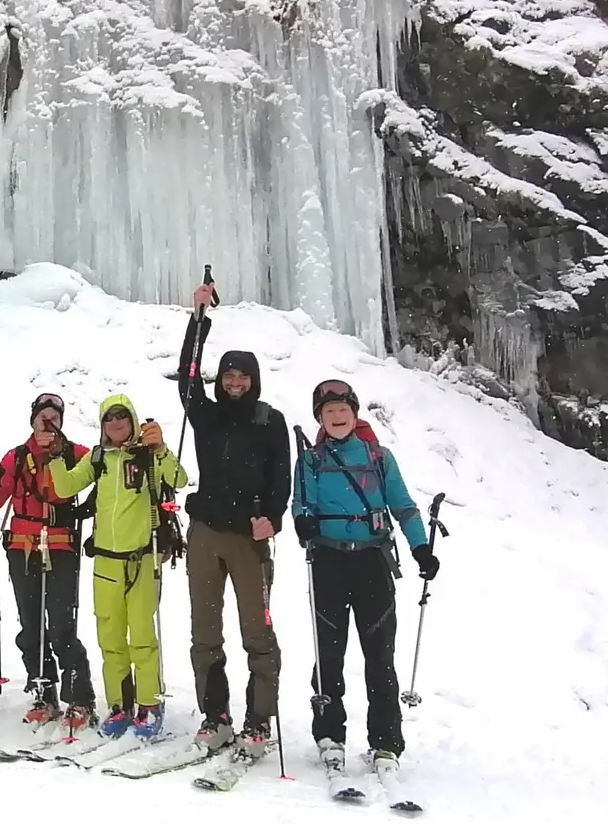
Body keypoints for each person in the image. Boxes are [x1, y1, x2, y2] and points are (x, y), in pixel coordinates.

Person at [293, 379, 440, 777]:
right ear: (320, 418)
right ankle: (329, 734)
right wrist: (303, 522)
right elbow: (300, 501)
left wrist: (420, 547)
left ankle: (386, 741)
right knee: (329, 653)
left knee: (379, 655)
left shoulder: (378, 457)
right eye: (329, 412)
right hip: (327, 560)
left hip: (372, 561)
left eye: (343, 410)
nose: (337, 417)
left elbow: (403, 506)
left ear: (354, 413)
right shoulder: (310, 460)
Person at [175, 281, 291, 758]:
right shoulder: (207, 415)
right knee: (205, 629)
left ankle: (259, 719)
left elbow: (282, 478)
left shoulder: (270, 420)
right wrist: (198, 320)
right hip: (205, 533)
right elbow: (186, 376)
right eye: (228, 376)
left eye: (242, 377)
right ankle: (215, 714)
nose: (234, 383)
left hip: (249, 536)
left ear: (253, 379)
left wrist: (274, 518)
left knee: (256, 632)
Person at [41, 395, 188, 740]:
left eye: (122, 416)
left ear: (133, 420)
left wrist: (162, 450)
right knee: (110, 637)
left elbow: (179, 480)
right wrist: (57, 458)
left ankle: (150, 704)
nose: (116, 422)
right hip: (106, 561)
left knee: (141, 636)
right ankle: (120, 705)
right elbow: (64, 487)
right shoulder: (98, 458)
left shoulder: (149, 454)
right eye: (110, 417)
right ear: (103, 424)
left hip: (142, 559)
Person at [0, 393, 97, 729]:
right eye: (42, 417)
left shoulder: (76, 453)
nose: (48, 423)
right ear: (32, 420)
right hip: (22, 547)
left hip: (61, 546)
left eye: (54, 417)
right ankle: (43, 691)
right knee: (31, 626)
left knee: (63, 625)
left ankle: (80, 697)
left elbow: (103, 476)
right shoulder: (16, 457)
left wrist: (87, 509)